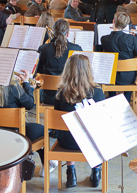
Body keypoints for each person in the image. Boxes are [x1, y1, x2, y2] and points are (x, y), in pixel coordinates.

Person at [0, 70, 57, 177]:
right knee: (41, 129)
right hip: (15, 137)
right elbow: (30, 104)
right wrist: (26, 84)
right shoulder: (14, 89)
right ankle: (47, 163)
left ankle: (48, 162)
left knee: (30, 128)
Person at [54, 54, 105, 188]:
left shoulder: (60, 93)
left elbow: (57, 121)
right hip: (91, 143)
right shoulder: (97, 92)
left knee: (70, 131)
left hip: (67, 142)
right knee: (97, 134)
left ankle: (71, 174)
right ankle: (96, 171)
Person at [101, 12, 137, 101]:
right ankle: (126, 100)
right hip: (128, 78)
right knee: (130, 71)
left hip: (111, 77)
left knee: (112, 71)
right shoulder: (131, 39)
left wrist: (132, 39)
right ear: (125, 26)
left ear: (113, 21)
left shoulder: (104, 39)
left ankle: (112, 98)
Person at [37, 19, 82, 105]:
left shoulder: (43, 49)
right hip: (70, 96)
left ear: (53, 31)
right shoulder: (76, 49)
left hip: (48, 97)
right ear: (68, 33)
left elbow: (37, 73)